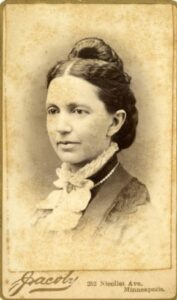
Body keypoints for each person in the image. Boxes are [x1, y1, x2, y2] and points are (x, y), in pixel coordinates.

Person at [33, 37, 150, 246]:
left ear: (114, 122)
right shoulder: (53, 205)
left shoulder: (137, 211)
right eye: (53, 111)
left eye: (78, 111)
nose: (61, 127)